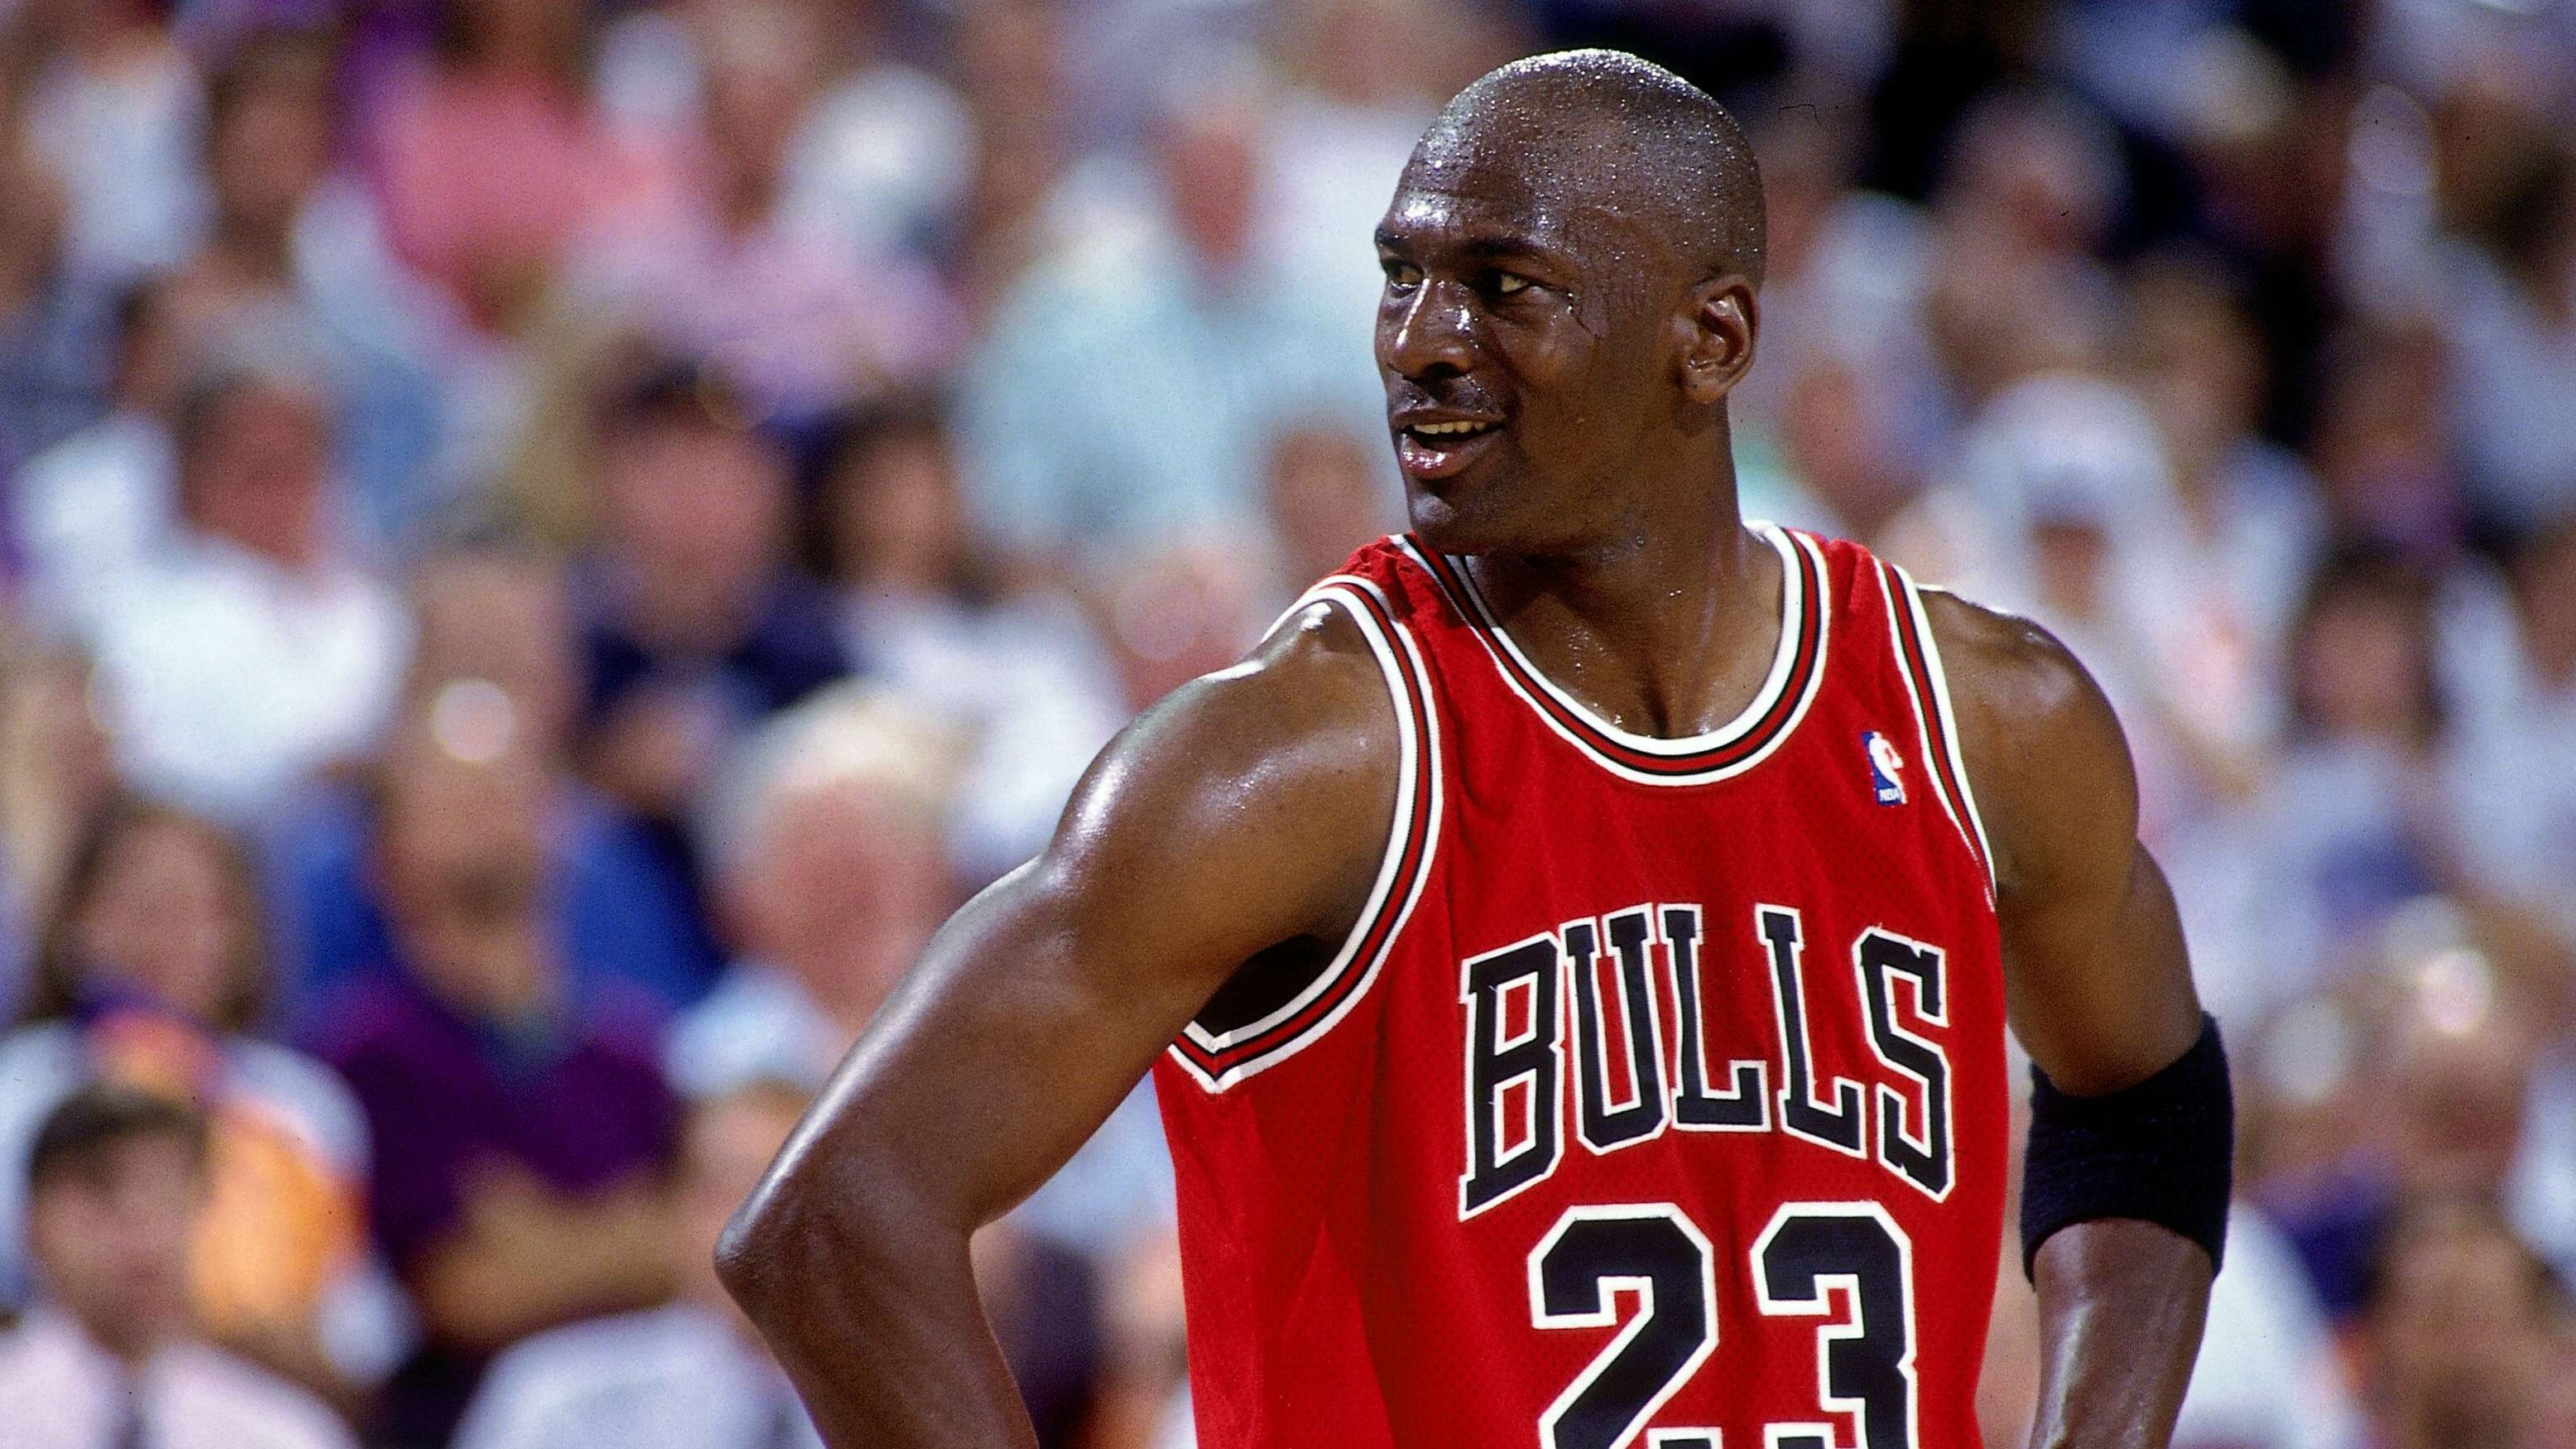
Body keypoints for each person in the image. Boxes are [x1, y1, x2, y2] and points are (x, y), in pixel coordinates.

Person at [720, 51, 2224, 1449]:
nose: (1419, 343)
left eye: (1505, 287)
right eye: (1402, 276)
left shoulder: (1976, 715)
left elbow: (2144, 1099)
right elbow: (835, 1220)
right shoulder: (1303, 754)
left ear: (1710, 340)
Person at [0, 799, 403, 1393]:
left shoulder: (306, 1104)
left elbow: (358, 1343)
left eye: (196, 907)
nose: (166, 933)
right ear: (75, 926)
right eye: (141, 904)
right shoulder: (21, 1084)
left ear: (243, 935)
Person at [452, 1082, 823, 1449]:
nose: (763, 1222)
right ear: (673, 1209)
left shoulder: (859, 1403)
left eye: (796, 1194)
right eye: (729, 1189)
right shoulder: (556, 1394)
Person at [0, 1086, 356, 1449]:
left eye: (169, 1194)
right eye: (102, 1190)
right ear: (31, 1221)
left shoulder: (283, 1433)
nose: (143, 1229)